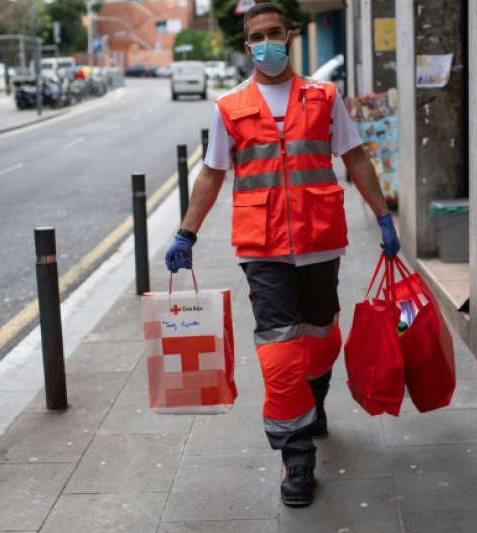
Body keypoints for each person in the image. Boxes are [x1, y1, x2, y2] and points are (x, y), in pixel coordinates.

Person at [164, 2, 400, 508]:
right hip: (262, 248)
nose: (267, 42)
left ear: (289, 36)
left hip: (319, 242)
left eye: (275, 33)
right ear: (247, 45)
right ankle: (296, 456)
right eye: (257, 36)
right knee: (278, 353)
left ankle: (314, 400)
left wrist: (382, 215)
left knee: (320, 338)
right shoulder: (230, 106)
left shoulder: (323, 97)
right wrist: (186, 232)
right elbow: (211, 172)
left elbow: (355, 156)